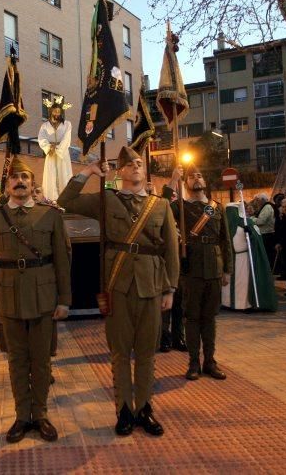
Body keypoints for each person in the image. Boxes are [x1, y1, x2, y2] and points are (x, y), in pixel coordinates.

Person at [59, 146, 178, 436]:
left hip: (151, 285)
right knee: (121, 352)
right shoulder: (106, 199)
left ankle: (145, 408)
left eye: (139, 163)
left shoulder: (160, 205)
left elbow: (171, 250)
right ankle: (125, 410)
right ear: (120, 171)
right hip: (118, 284)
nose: (136, 167)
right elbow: (66, 200)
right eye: (129, 164)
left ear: (144, 171)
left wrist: (170, 288)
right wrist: (88, 171)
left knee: (148, 352)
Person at [0, 157, 70, 443]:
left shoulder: (51, 215)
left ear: (33, 184)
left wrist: (65, 299)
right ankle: (22, 416)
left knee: (42, 360)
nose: (19, 181)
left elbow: (62, 261)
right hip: (8, 296)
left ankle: (40, 414)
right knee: (17, 360)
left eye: (24, 177)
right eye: (14, 178)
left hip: (43, 295)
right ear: (6, 186)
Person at [170, 163, 232, 381]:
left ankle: (210, 362)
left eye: (199, 175)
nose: (196, 178)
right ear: (185, 182)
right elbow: (159, 208)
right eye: (191, 176)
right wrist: (172, 180)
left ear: (205, 182)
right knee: (192, 318)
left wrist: (227, 269)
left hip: (214, 269)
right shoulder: (181, 207)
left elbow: (226, 240)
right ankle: (194, 362)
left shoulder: (216, 207)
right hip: (191, 270)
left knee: (210, 318)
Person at [221, 202, 278, 311]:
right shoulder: (223, 225)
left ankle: (243, 304)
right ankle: (227, 303)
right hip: (229, 257)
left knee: (242, 283)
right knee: (227, 284)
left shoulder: (247, 223)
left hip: (243, 258)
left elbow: (257, 240)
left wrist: (250, 233)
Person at [37, 96, 73, 202]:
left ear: (61, 112)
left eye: (58, 111)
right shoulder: (44, 126)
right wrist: (48, 148)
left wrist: (59, 149)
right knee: (51, 176)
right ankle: (51, 200)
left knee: (64, 175)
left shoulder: (67, 124)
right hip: (51, 154)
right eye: (55, 111)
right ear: (51, 112)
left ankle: (65, 200)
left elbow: (67, 138)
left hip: (63, 154)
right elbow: (41, 138)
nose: (57, 114)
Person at [251, 193, 276, 269]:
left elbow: (261, 221)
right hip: (265, 233)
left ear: (262, 200)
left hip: (267, 234)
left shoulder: (267, 207)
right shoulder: (264, 207)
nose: (256, 202)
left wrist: (251, 219)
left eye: (257, 200)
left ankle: (268, 269)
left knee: (267, 254)